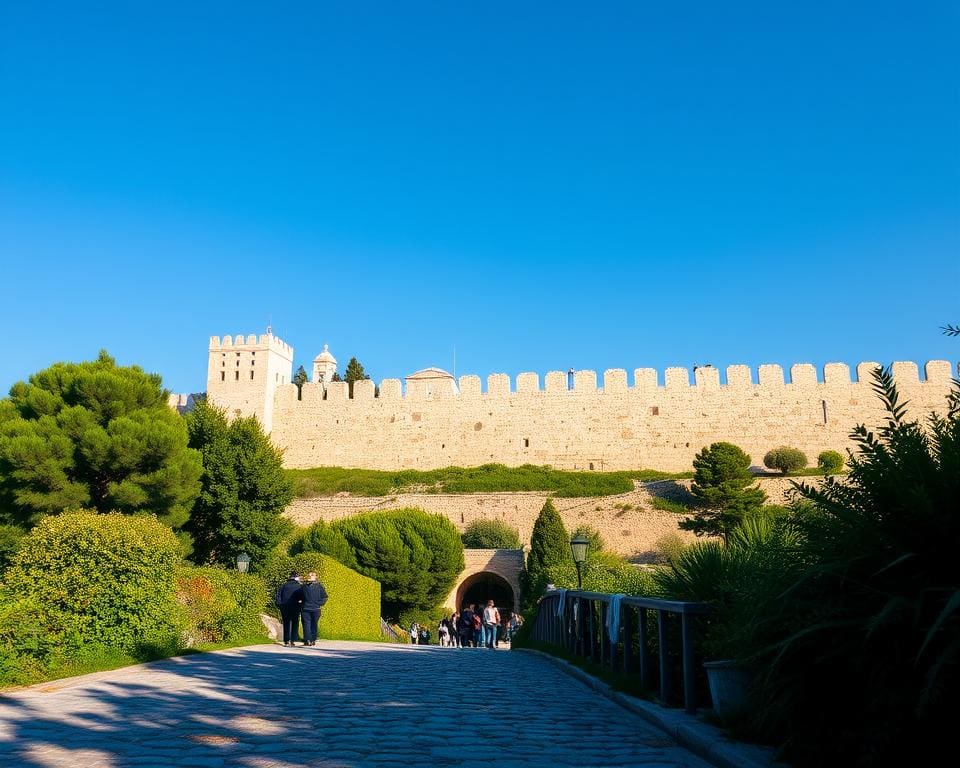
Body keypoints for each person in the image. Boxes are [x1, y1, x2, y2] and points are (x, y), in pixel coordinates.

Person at [275, 572, 304, 647]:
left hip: (285, 607)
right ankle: (293, 640)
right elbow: (302, 597)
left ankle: (286, 641)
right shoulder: (299, 586)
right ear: (296, 577)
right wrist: (301, 605)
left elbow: (278, 596)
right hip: (295, 606)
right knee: (295, 623)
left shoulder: (283, 585)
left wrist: (279, 605)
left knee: (286, 623)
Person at [300, 571, 328, 647]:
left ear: (316, 577)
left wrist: (319, 603)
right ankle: (309, 640)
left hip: (314, 608)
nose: (310, 576)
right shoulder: (305, 586)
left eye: (312, 575)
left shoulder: (318, 586)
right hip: (308, 608)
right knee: (308, 624)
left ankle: (311, 639)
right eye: (310, 575)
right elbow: (325, 597)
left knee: (311, 624)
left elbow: (325, 597)